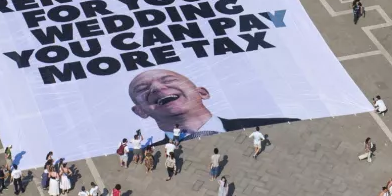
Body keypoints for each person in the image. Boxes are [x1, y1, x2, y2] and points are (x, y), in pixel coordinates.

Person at [127, 69, 298, 142]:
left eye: (169, 80)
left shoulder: (284, 125)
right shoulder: (144, 157)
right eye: (143, 89)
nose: (157, 88)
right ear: (140, 111)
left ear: (202, 92)